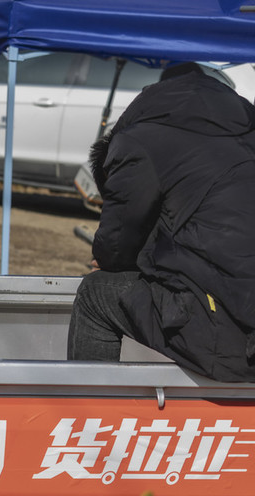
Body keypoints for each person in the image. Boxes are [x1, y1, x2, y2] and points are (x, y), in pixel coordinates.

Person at [67, 63, 255, 382]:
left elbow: (116, 248)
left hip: (228, 338)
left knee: (96, 293)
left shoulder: (139, 141)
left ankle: (91, 413)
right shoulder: (247, 130)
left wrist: (118, 257)